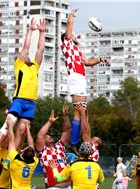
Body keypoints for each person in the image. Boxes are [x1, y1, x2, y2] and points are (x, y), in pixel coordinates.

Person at [0, 18, 46, 161]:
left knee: (21, 130)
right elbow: (26, 47)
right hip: (19, 100)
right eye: (25, 55)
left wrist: (42, 32)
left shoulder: (35, 67)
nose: (27, 55)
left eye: (27, 55)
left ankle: (11, 156)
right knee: (9, 123)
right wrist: (31, 30)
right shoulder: (19, 65)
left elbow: (40, 49)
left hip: (31, 103)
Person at [61, 8, 110, 152]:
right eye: (72, 35)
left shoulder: (77, 50)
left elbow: (88, 62)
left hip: (81, 78)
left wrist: (101, 59)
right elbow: (69, 28)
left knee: (80, 111)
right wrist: (71, 16)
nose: (74, 36)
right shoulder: (67, 44)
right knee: (81, 108)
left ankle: (74, 142)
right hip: (75, 77)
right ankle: (74, 142)